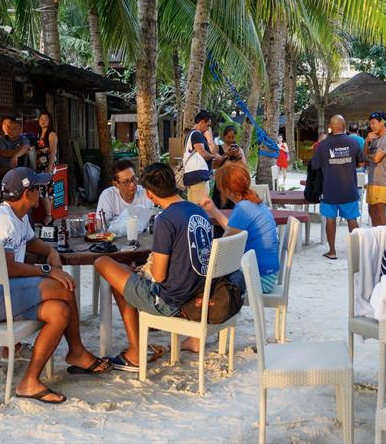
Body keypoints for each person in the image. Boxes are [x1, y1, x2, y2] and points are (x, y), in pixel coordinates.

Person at [0, 167, 110, 403]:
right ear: (27, 193)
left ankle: (29, 382)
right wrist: (47, 269)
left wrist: (51, 252)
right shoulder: (3, 222)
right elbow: (8, 267)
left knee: (59, 311)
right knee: (64, 287)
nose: (42, 194)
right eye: (39, 189)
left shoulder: (18, 216)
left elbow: (33, 243)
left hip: (1, 291)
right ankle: (76, 352)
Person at [95, 163, 212, 372]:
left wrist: (143, 272)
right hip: (197, 293)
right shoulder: (197, 210)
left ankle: (135, 353)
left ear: (149, 195)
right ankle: (139, 346)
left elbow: (158, 275)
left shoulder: (165, 220)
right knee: (125, 275)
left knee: (102, 263)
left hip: (172, 301)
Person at [200, 162, 279, 292]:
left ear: (226, 189)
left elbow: (223, 245)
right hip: (268, 275)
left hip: (258, 279)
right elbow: (232, 230)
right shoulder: (254, 203)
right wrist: (212, 209)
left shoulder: (243, 209)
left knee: (204, 279)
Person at [311, 115, 364, 260]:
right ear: (344, 125)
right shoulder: (353, 143)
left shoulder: (322, 145)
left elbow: (315, 165)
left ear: (330, 126)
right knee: (352, 219)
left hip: (329, 190)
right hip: (349, 189)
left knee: (330, 219)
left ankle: (332, 251)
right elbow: (361, 162)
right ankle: (356, 253)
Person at [0, 117, 31, 212]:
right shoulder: (1, 139)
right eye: (9, 128)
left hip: (16, 170)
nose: (10, 130)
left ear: (20, 130)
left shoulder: (24, 139)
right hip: (0, 169)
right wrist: (18, 152)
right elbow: (3, 152)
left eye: (14, 128)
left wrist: (16, 156)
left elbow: (25, 147)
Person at [96, 158, 154, 225]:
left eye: (133, 178)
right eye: (126, 181)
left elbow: (151, 220)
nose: (132, 184)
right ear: (116, 184)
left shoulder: (145, 193)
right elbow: (101, 224)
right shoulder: (108, 195)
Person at [365, 111, 386, 227]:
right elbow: (364, 156)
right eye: (370, 124)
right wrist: (367, 141)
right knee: (372, 212)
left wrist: (368, 157)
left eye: (374, 123)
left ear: (382, 122)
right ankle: (377, 239)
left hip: (382, 182)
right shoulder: (374, 139)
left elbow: (376, 158)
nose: (372, 126)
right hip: (372, 181)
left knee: (380, 213)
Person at [182, 109, 218, 205]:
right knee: (202, 206)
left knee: (194, 206)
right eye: (208, 125)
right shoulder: (197, 134)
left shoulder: (189, 134)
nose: (208, 128)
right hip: (198, 176)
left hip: (191, 176)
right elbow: (203, 153)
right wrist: (213, 156)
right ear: (202, 122)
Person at [211, 125, 247, 209]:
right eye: (228, 137)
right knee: (219, 206)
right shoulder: (217, 148)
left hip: (233, 182)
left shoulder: (238, 150)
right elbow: (213, 165)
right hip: (220, 182)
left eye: (233, 137)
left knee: (233, 208)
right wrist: (226, 155)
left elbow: (244, 167)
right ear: (224, 136)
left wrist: (238, 156)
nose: (231, 140)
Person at [33, 111, 58, 225]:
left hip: (48, 165)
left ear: (50, 121)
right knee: (48, 191)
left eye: (46, 119)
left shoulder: (51, 134)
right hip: (40, 165)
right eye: (41, 119)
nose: (43, 121)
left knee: (43, 191)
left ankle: (48, 216)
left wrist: (49, 167)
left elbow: (53, 152)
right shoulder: (39, 134)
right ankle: (50, 216)